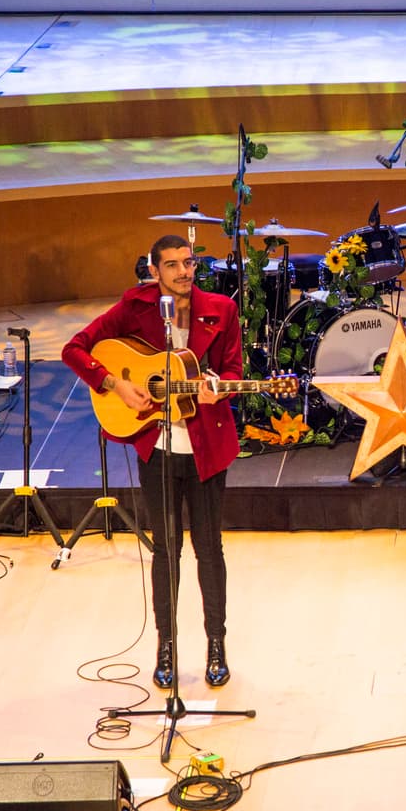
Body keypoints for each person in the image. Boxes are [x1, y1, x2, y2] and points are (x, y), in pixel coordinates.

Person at [62, 234, 241, 689]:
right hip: (156, 449)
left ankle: (216, 644)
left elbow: (235, 369)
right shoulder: (136, 308)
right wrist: (114, 385)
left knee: (209, 550)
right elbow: (75, 350)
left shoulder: (221, 309)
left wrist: (217, 384)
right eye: (174, 264)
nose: (185, 271)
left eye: (190, 262)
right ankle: (166, 646)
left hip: (206, 449)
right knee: (165, 550)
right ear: (154, 270)